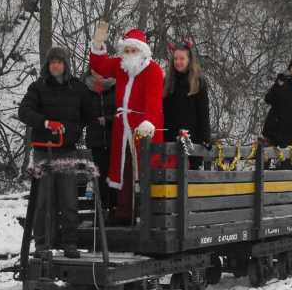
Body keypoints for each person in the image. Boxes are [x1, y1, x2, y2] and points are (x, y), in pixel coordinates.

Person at [18, 46, 92, 258]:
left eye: (59, 62)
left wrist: (74, 131)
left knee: (69, 199)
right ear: (47, 65)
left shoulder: (77, 88)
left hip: (67, 150)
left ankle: (70, 243)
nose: (55, 66)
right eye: (52, 62)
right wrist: (45, 123)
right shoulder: (38, 87)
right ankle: (42, 245)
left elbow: (89, 113)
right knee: (43, 200)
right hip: (43, 151)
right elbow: (24, 112)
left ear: (65, 64)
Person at [89, 22, 165, 224]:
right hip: (123, 128)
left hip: (144, 127)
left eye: (133, 50)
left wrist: (149, 121)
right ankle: (124, 214)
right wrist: (98, 44)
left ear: (142, 51)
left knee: (144, 169)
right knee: (123, 170)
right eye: (127, 50)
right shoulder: (121, 66)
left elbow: (154, 102)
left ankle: (146, 215)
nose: (130, 53)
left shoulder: (154, 71)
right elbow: (100, 66)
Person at [163, 40, 211, 170]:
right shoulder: (168, 81)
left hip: (192, 138)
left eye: (182, 58)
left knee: (190, 175)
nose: (178, 62)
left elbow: (203, 112)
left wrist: (205, 137)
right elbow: (163, 111)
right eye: (176, 59)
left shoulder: (198, 82)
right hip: (171, 137)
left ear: (189, 60)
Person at [83, 69, 116, 209]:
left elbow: (122, 112)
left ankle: (114, 210)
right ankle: (101, 211)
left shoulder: (115, 86)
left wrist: (108, 119)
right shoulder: (85, 89)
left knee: (113, 177)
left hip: (114, 139)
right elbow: (81, 113)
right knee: (99, 178)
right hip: (95, 141)